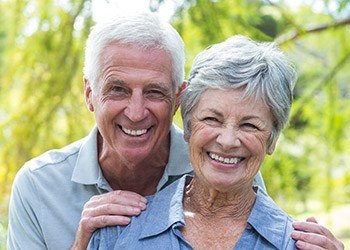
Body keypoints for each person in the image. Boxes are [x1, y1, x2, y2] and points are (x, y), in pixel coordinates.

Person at [7, 13, 343, 250]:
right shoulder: (38, 186)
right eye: (118, 89)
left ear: (178, 100)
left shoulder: (226, 167)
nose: (136, 112)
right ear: (89, 95)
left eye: (154, 92)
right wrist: (84, 245)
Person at [87, 35, 338, 249]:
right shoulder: (117, 233)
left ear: (271, 140)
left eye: (249, 125)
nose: (228, 141)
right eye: (212, 119)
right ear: (188, 127)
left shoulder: (295, 245)